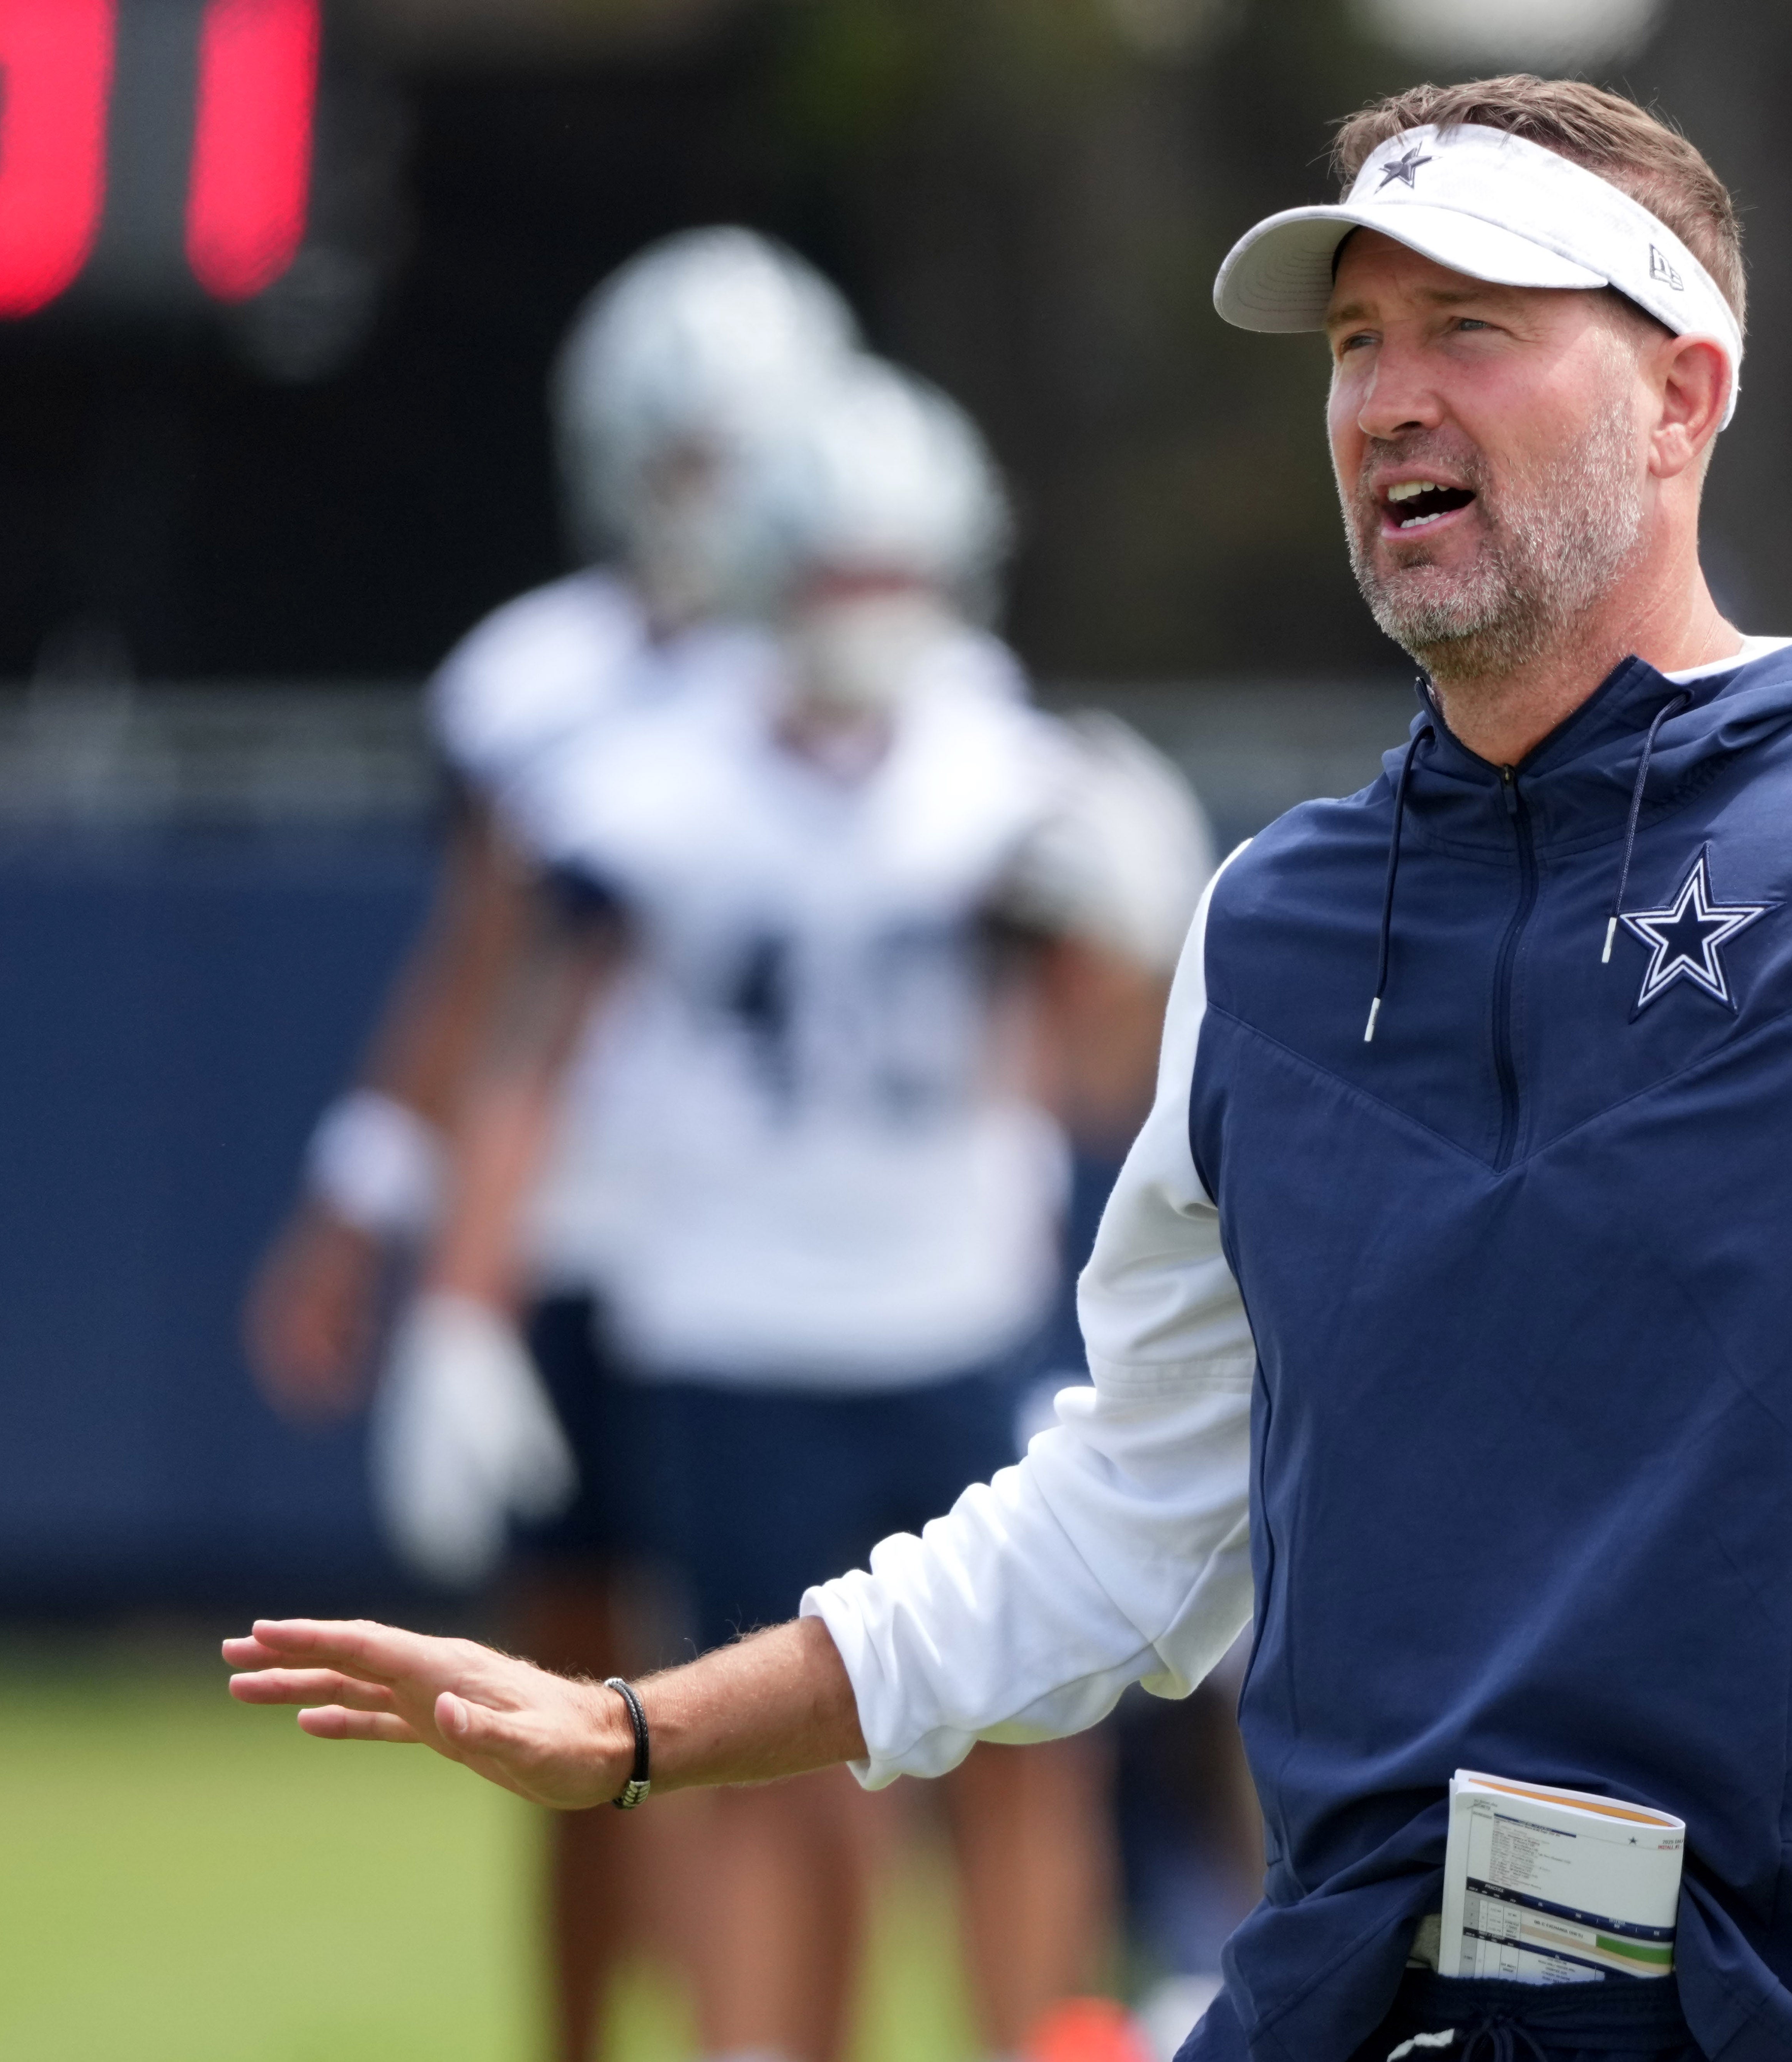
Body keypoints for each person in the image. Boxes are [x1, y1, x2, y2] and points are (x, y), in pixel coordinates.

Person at [228, 77, 1792, 2062]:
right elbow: (1120, 1520)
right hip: (1386, 1995)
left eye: (1469, 327)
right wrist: (630, 1729)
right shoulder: (1272, 925)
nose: (1385, 399)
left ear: (1684, 391)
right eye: (1354, 341)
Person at [437, 352, 1210, 2062]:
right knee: (770, 1753)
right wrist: (465, 1305)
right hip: (738, 1326)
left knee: (1031, 1726)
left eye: (894, 573)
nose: (867, 610)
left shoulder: (1022, 775)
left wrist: (1127, 942)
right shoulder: (650, 779)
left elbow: (1108, 1078)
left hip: (961, 1304)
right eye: (837, 571)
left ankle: (1028, 2035)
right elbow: (530, 1052)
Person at [238, 226, 857, 2062]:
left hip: (786, 1258)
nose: (713, 502)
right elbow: (479, 973)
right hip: (579, 1242)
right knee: (564, 1698)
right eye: (684, 458)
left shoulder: (860, 672)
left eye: (741, 455)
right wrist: (371, 1219)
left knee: (783, 1691)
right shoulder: (539, 679)